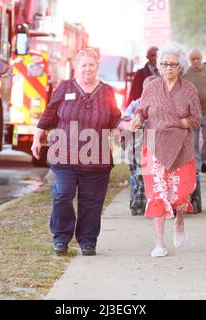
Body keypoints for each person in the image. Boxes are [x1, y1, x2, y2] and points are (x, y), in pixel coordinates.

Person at [32, 48, 132, 256]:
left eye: (91, 65)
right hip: (64, 154)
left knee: (92, 200)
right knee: (63, 193)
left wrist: (126, 125)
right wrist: (36, 138)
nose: (88, 69)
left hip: (96, 157)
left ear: (97, 66)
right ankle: (61, 237)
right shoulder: (65, 87)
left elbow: (114, 117)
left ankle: (88, 241)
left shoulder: (106, 91)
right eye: (83, 65)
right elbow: (48, 115)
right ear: (76, 67)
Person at [132, 43, 202, 257]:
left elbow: (196, 120)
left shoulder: (189, 89)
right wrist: (136, 118)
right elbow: (142, 111)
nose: (169, 68)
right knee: (158, 194)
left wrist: (179, 123)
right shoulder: (151, 88)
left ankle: (179, 221)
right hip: (154, 146)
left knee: (181, 194)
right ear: (159, 66)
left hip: (182, 147)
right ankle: (159, 243)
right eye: (165, 64)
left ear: (180, 67)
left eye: (173, 64)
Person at [122, 75, 160, 216]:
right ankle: (140, 194)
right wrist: (132, 120)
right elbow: (125, 118)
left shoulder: (163, 104)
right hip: (139, 144)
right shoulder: (136, 104)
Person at [183, 49, 206, 174]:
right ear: (190, 60)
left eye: (198, 58)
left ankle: (203, 159)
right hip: (192, 113)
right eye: (193, 59)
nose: (196, 61)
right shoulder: (185, 72)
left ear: (201, 58)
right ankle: (196, 168)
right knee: (193, 143)